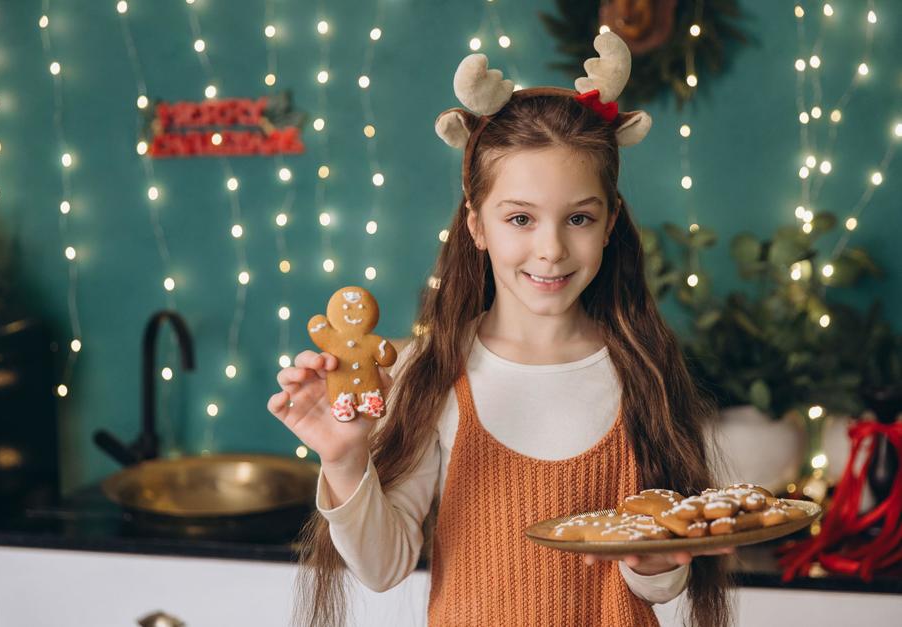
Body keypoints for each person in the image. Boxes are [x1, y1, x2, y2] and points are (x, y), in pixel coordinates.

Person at [268, 32, 732, 627]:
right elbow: (383, 568)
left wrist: (655, 559)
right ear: (476, 225)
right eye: (520, 218)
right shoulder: (431, 369)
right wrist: (344, 459)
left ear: (611, 222)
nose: (552, 249)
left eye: (580, 218)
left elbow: (663, 586)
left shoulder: (640, 364)